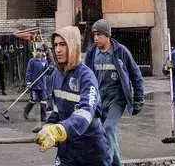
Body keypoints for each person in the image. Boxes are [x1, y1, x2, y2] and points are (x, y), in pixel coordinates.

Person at [34, 26, 110, 166]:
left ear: (73, 46)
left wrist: (59, 130)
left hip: (91, 149)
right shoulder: (56, 74)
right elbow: (58, 107)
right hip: (67, 149)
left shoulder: (87, 77)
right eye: (55, 45)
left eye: (63, 44)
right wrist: (50, 124)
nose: (57, 50)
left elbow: (86, 112)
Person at [84, 19, 144, 166]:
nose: (96, 38)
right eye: (94, 35)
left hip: (117, 99)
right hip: (99, 100)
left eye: (99, 34)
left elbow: (136, 75)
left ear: (108, 35)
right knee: (107, 133)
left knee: (108, 128)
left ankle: (106, 162)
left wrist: (138, 98)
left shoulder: (121, 52)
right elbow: (85, 77)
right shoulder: (92, 52)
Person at [23, 45, 49, 122]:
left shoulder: (45, 61)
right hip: (34, 85)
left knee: (43, 101)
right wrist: (28, 83)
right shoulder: (32, 61)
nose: (38, 52)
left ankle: (43, 116)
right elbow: (29, 72)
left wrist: (50, 68)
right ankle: (26, 111)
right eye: (37, 51)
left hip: (42, 85)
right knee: (33, 100)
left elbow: (47, 72)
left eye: (40, 51)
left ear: (42, 52)